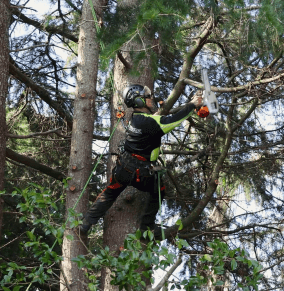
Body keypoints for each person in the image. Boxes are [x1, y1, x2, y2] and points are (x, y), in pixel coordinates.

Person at [79, 84, 207, 237]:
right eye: (147, 97)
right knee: (159, 191)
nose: (150, 99)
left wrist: (186, 105)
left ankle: (85, 223)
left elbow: (154, 121)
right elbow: (172, 121)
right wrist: (192, 105)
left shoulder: (137, 119)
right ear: (139, 101)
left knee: (110, 193)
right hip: (142, 173)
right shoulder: (150, 123)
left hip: (123, 168)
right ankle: (147, 227)